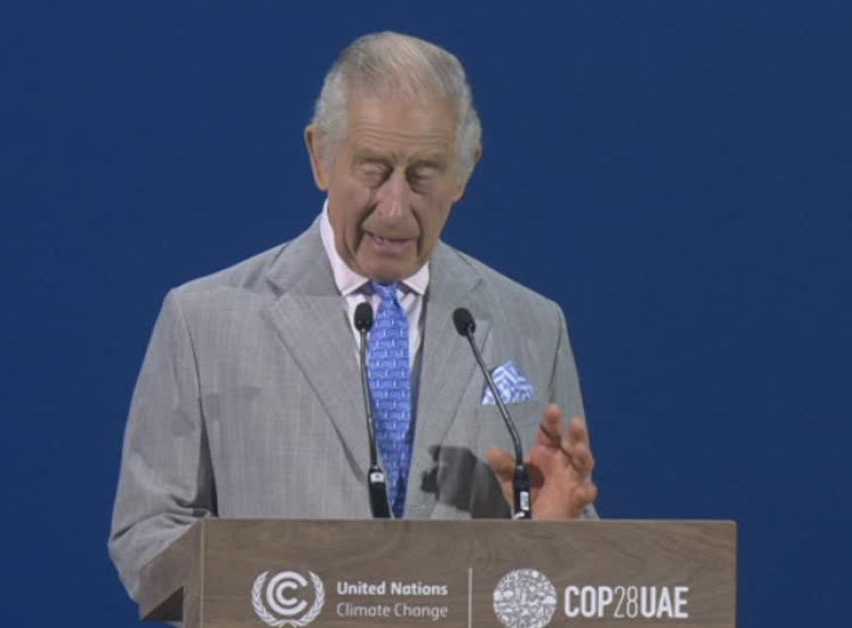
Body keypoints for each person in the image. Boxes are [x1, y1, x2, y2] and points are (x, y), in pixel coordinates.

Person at [108, 31, 598, 601]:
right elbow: (148, 537)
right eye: (373, 170)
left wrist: (552, 537)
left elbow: (576, 566)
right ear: (320, 156)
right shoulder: (205, 322)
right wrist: (273, 592)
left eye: (423, 175)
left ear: (464, 173)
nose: (394, 208)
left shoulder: (533, 325)